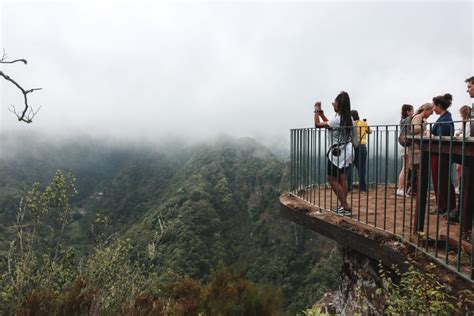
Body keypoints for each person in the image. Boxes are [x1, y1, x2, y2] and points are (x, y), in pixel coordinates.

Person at [314, 91, 353, 215]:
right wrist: (323, 114)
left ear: (339, 105)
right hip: (346, 151)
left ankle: (346, 207)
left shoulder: (338, 119)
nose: (333, 105)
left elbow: (317, 125)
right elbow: (330, 125)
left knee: (331, 179)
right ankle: (343, 205)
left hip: (337, 153)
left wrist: (315, 111)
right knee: (342, 178)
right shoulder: (347, 117)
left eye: (335, 103)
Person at [430, 94, 457, 219]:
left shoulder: (446, 119)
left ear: (439, 106)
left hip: (442, 154)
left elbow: (442, 136)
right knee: (437, 179)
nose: (433, 108)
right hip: (437, 153)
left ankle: (449, 206)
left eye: (434, 105)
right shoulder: (443, 117)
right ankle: (441, 205)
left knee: (443, 179)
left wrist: (431, 135)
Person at [408, 103, 434, 195]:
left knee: (417, 166)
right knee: (416, 166)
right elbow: (414, 129)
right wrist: (424, 125)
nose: (431, 114)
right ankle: (413, 189)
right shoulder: (418, 117)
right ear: (426, 110)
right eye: (430, 112)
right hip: (416, 144)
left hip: (418, 144)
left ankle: (414, 189)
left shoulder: (420, 117)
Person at [347, 110, 371, 192]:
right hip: (362, 146)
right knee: (362, 168)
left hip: (351, 147)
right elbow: (369, 131)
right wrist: (366, 123)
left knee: (349, 167)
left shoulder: (349, 124)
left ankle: (348, 187)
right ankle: (362, 188)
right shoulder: (363, 123)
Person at [397, 104, 414, 197]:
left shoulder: (402, 120)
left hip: (403, 144)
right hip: (406, 145)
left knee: (406, 168)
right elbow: (410, 130)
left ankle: (401, 188)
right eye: (412, 110)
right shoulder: (408, 120)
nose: (413, 112)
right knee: (406, 168)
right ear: (408, 111)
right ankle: (400, 189)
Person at [454, 105, 471, 194]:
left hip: (466, 148)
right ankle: (460, 186)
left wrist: (459, 135)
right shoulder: (465, 122)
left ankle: (461, 186)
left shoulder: (469, 123)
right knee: (459, 168)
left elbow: (466, 135)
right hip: (462, 148)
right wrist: (459, 133)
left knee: (460, 168)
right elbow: (462, 132)